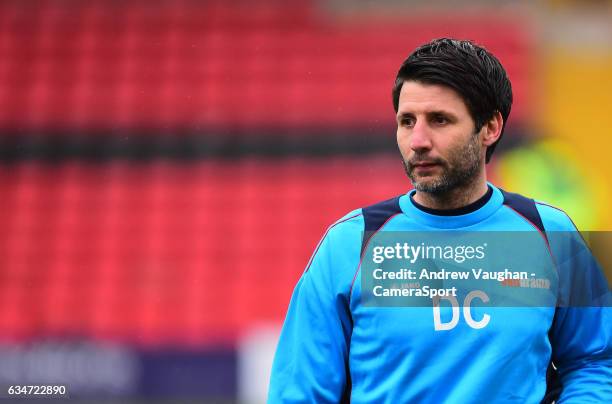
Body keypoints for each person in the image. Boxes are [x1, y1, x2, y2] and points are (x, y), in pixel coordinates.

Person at [268, 38, 611, 403]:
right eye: (406, 121)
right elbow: (299, 392)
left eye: (439, 120)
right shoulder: (350, 243)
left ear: (490, 127)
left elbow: (596, 361)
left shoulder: (552, 234)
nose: (417, 140)